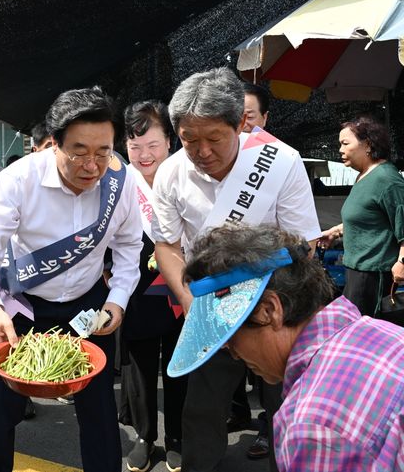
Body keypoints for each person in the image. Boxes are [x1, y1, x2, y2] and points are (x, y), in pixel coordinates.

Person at [0, 86, 143, 472]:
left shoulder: (121, 181)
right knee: (3, 410)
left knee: (99, 412)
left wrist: (118, 301)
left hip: (87, 306)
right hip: (23, 307)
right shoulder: (19, 179)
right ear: (52, 144)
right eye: (79, 151)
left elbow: (130, 248)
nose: (92, 165)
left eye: (103, 152)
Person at [151, 67, 321, 472]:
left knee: (287, 406)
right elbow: (167, 245)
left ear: (240, 125)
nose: (202, 151)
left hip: (277, 308)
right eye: (190, 140)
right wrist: (190, 300)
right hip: (211, 306)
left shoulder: (280, 161)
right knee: (202, 408)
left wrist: (261, 303)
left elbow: (304, 245)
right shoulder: (171, 173)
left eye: (214, 138)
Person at [167, 224, 404, 472]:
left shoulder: (312, 427)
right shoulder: (382, 332)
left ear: (270, 310)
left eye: (229, 338)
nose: (233, 354)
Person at [117, 100, 187, 472]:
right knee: (141, 367)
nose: (144, 155)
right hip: (137, 289)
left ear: (170, 142)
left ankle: (176, 436)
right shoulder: (117, 183)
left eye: (152, 145)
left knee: (179, 364)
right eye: (134, 146)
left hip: (182, 288)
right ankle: (145, 436)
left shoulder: (187, 174)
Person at [231, 81, 279, 465]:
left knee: (270, 375)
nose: (243, 125)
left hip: (267, 287)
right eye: (236, 118)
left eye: (249, 117)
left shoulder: (278, 163)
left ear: (264, 119)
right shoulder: (219, 161)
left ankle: (271, 430)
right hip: (224, 289)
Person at [320, 116, 404, 316]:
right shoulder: (364, 175)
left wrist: (402, 263)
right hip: (356, 270)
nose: (340, 149)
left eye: (345, 143)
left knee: (365, 330)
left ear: (367, 145)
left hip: (373, 275)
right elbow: (369, 217)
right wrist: (337, 231)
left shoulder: (387, 179)